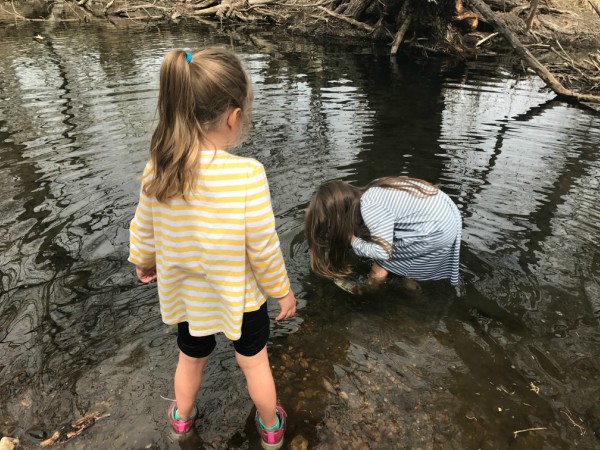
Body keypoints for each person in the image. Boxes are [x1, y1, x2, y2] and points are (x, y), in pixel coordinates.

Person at [128, 47, 296, 450]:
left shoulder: (160, 165)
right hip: (242, 298)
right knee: (254, 362)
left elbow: (144, 225)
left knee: (191, 359)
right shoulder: (248, 175)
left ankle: (183, 421)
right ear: (233, 117)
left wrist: (143, 261)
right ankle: (271, 427)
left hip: (188, 297)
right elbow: (264, 247)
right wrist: (282, 291)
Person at [304, 177, 462, 293]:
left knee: (381, 263)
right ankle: (410, 281)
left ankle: (370, 292)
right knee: (405, 263)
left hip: (434, 229)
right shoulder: (372, 189)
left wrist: (352, 241)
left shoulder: (369, 206)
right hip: (446, 215)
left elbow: (383, 252)